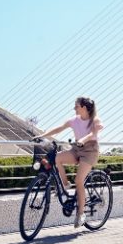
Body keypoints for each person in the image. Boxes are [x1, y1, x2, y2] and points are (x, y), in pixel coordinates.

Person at [34, 96, 103, 227]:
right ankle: (65, 184)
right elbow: (59, 128)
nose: (74, 108)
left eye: (76, 106)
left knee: (79, 180)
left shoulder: (95, 120)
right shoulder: (74, 120)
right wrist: (42, 135)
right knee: (57, 158)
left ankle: (81, 214)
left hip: (90, 151)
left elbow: (92, 134)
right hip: (77, 148)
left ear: (84, 107)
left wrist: (83, 140)